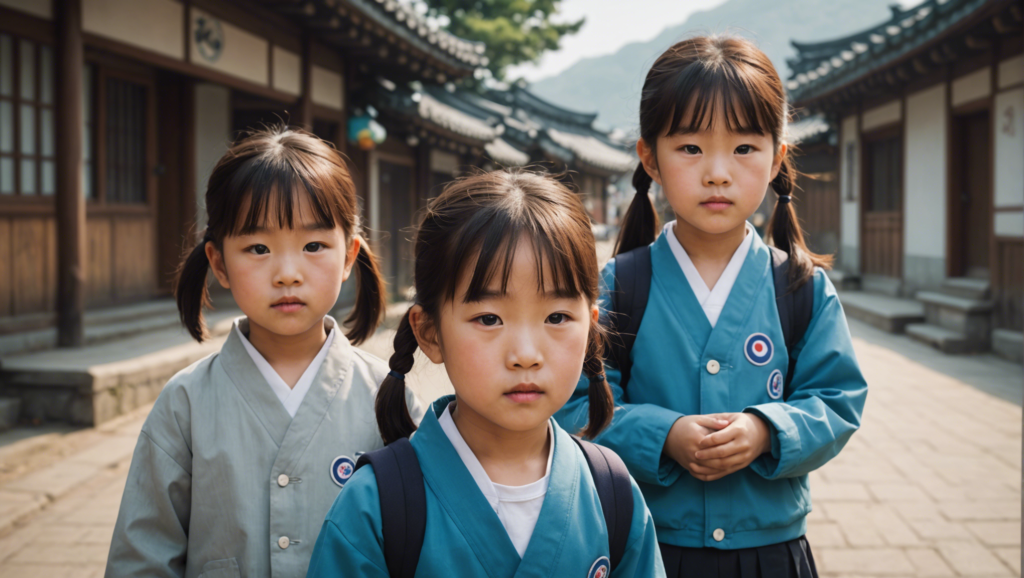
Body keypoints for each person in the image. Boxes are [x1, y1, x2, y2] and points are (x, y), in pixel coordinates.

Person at [555, 36, 868, 578]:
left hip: (772, 555)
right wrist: (663, 436)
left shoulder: (801, 289)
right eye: (691, 148)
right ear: (649, 156)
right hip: (646, 548)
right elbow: (573, 404)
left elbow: (837, 401)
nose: (718, 172)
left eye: (744, 148)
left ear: (777, 158)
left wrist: (768, 430)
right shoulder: (617, 288)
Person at [306, 170, 665, 578]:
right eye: (490, 318)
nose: (526, 355)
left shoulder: (612, 494)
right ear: (430, 332)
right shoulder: (377, 506)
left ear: (590, 327)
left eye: (557, 317)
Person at [104, 127, 423, 578]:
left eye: (314, 246)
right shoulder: (186, 403)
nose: (288, 273)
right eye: (258, 248)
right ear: (219, 263)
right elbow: (142, 560)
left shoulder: (387, 397)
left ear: (349, 255)